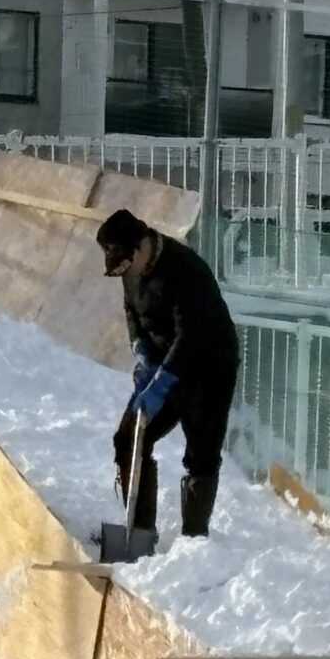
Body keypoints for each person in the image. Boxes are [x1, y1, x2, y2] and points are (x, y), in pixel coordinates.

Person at [97, 207, 239, 540]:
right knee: (130, 438)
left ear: (140, 247)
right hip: (164, 363)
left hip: (209, 365)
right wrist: (141, 349)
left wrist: (163, 382)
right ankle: (140, 533)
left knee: (201, 455)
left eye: (126, 264)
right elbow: (132, 311)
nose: (125, 274)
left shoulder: (185, 270)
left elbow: (191, 335)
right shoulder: (131, 270)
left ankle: (194, 540)